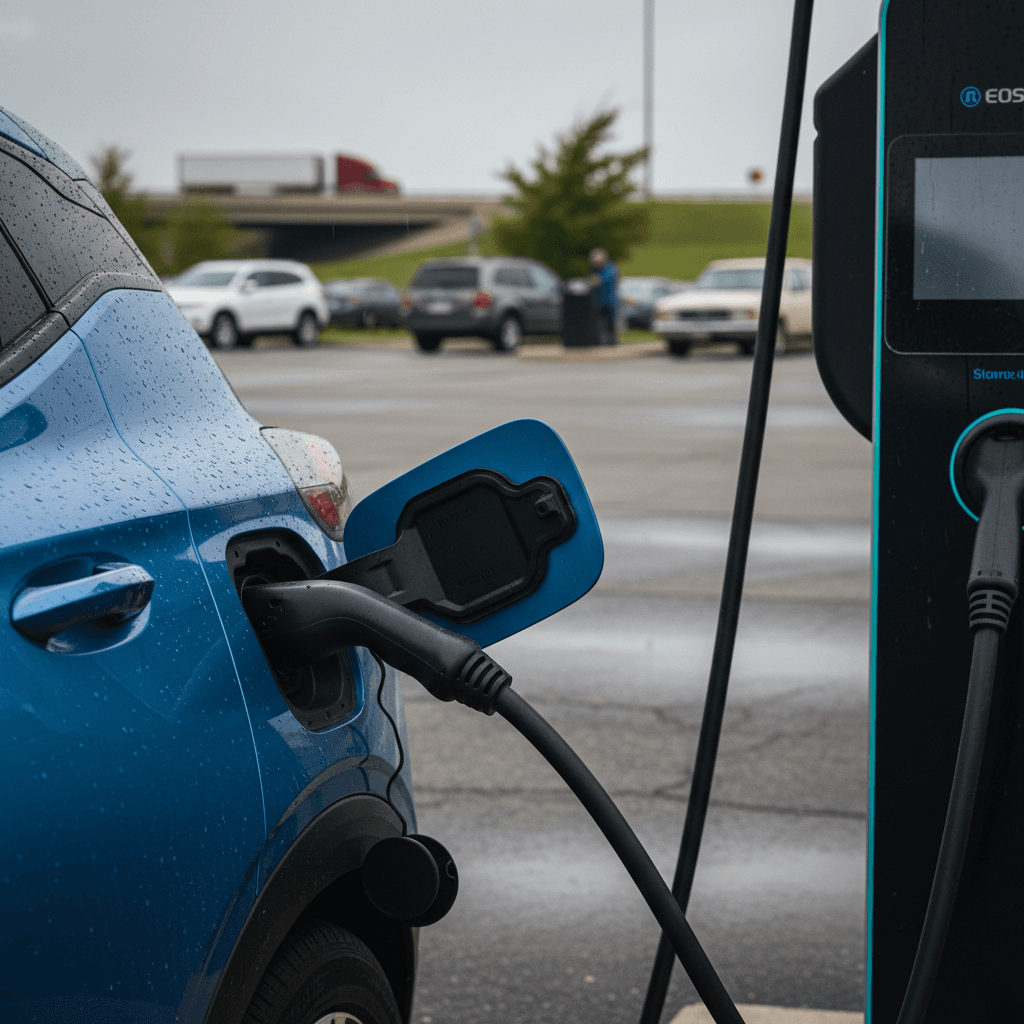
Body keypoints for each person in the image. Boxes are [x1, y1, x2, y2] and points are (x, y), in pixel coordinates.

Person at [589, 248, 619, 345]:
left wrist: (597, 280)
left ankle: (612, 341)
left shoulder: (610, 268)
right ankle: (599, 341)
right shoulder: (593, 269)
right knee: (598, 324)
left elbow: (606, 280)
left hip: (609, 301)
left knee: (610, 324)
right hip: (598, 301)